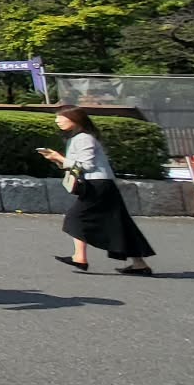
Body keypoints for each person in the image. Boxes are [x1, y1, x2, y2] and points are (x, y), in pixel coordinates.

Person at [42, 107, 154, 275]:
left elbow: (86, 166)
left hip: (97, 184)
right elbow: (77, 163)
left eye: (61, 117)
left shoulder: (84, 138)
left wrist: (60, 158)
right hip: (102, 183)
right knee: (119, 224)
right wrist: (57, 160)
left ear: (75, 119)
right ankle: (139, 264)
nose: (57, 121)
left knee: (76, 217)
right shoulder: (78, 138)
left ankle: (79, 257)